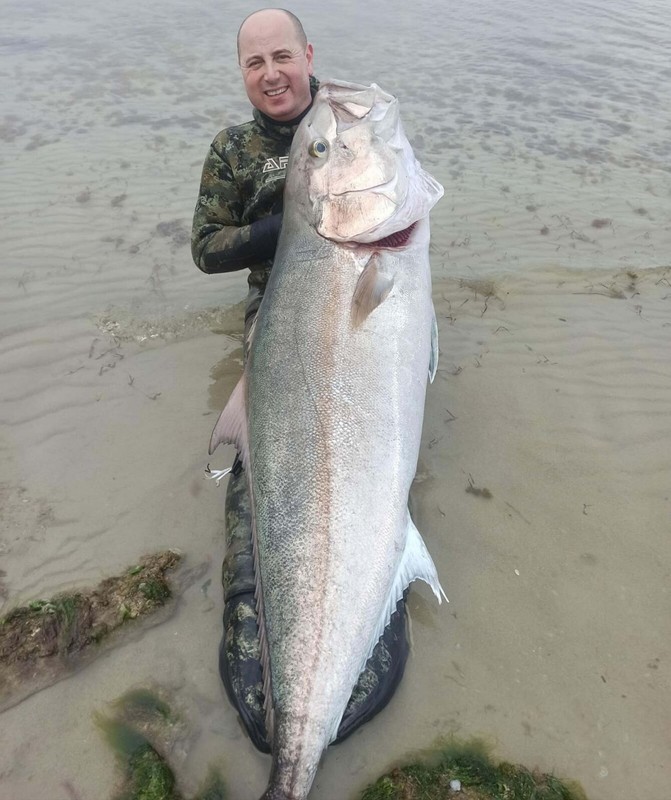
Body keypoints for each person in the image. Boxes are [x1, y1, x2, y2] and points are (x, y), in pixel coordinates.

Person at [191, 8, 409, 754]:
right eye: (254, 64)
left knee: (367, 473)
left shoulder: (343, 129)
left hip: (352, 319)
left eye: (281, 56)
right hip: (274, 326)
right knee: (262, 503)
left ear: (306, 54)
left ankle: (364, 595)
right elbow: (206, 248)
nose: (271, 73)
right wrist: (284, 227)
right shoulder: (231, 148)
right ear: (244, 74)